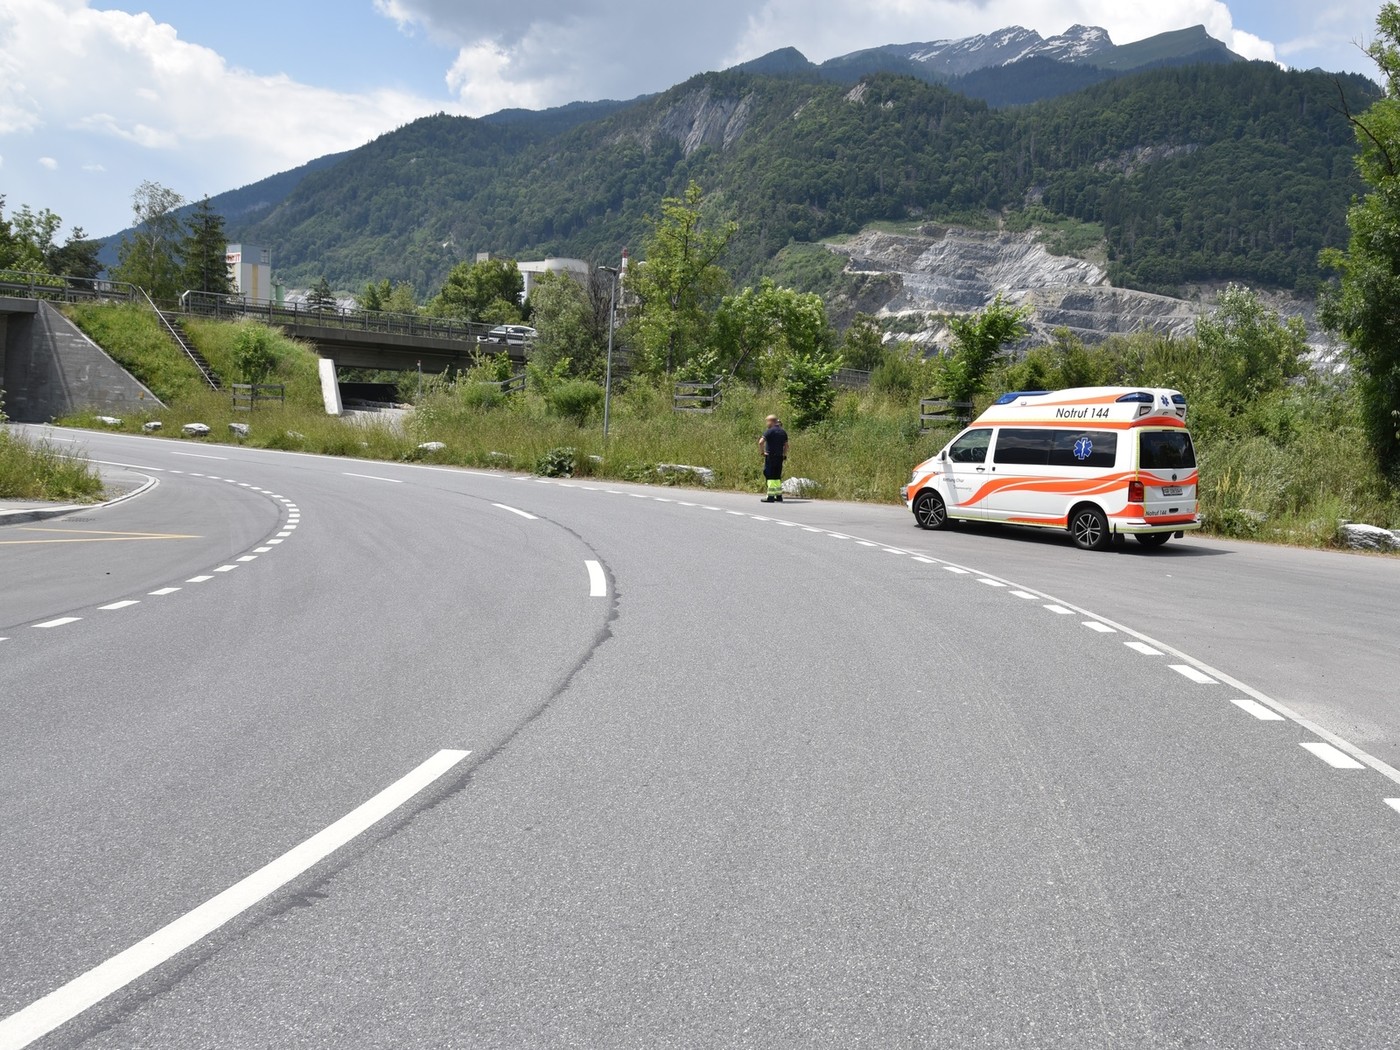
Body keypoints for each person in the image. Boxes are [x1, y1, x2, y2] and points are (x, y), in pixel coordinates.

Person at [759, 414, 788, 502]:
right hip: (779, 457)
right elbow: (786, 446)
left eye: (767, 421)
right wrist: (784, 455)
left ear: (771, 421)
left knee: (770, 476)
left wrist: (762, 452)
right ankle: (778, 496)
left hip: (770, 456)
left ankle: (770, 496)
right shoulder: (783, 432)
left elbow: (761, 442)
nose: (766, 423)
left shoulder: (769, 431)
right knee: (777, 476)